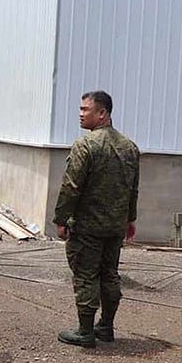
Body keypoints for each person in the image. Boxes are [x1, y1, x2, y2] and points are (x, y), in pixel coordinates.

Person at [53, 90, 140, 348]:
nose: (80, 114)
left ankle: (85, 331)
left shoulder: (86, 145)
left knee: (86, 275)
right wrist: (130, 219)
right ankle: (106, 326)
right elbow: (133, 188)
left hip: (88, 227)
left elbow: (71, 186)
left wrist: (61, 218)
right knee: (110, 274)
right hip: (115, 226)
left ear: (102, 113)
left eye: (85, 109)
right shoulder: (130, 147)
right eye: (80, 109)